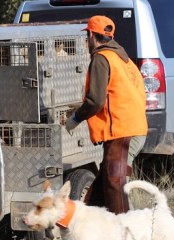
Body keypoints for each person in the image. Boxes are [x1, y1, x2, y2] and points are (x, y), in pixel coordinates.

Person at [65, 15, 147, 214]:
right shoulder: (123, 59)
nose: (87, 42)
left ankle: (130, 235)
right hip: (133, 128)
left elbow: (95, 100)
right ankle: (88, 233)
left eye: (87, 37)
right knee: (102, 192)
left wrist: (74, 119)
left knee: (115, 186)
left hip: (122, 132)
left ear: (91, 35)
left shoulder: (101, 58)